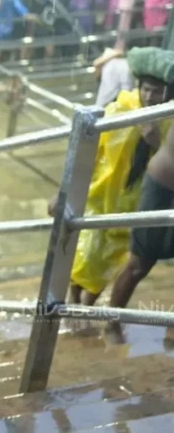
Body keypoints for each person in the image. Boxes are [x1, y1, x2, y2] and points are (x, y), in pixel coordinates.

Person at [49, 48, 174, 313]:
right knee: (87, 256)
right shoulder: (119, 111)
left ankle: (88, 307)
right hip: (100, 195)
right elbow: (88, 154)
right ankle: (72, 302)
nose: (151, 97)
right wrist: (63, 191)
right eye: (147, 90)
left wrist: (154, 142)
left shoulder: (167, 120)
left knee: (111, 261)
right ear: (138, 87)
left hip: (132, 201)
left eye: (158, 91)